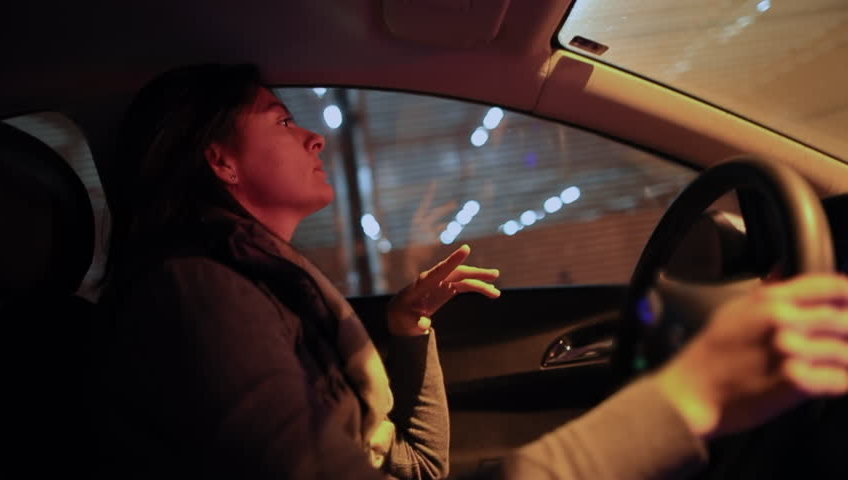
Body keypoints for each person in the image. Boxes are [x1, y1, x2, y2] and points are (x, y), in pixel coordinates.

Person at [99, 63, 848, 480]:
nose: (316, 137)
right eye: (281, 120)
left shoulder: (268, 289)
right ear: (220, 160)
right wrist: (690, 396)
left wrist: (406, 330)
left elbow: (420, 470)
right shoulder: (196, 293)